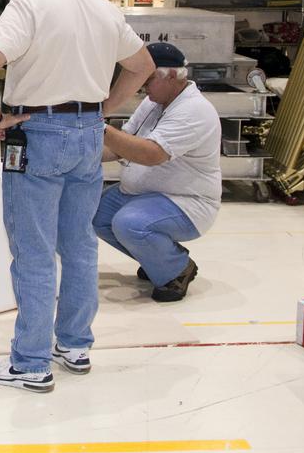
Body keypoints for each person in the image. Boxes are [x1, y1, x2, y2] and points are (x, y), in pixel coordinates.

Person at [0, 0, 154, 393]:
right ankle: (74, 344)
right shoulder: (103, 7)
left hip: (36, 135)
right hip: (88, 135)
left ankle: (30, 362)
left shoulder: (29, 5)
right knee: (79, 246)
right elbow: (144, 67)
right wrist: (103, 108)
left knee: (33, 252)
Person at [94, 42, 221, 303]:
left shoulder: (194, 110)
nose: (142, 86)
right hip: (144, 194)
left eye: (147, 79)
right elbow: (123, 145)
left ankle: (176, 269)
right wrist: (82, 155)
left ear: (172, 76)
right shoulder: (155, 101)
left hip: (185, 202)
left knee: (129, 224)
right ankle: (159, 259)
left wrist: (98, 126)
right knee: (94, 214)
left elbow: (152, 154)